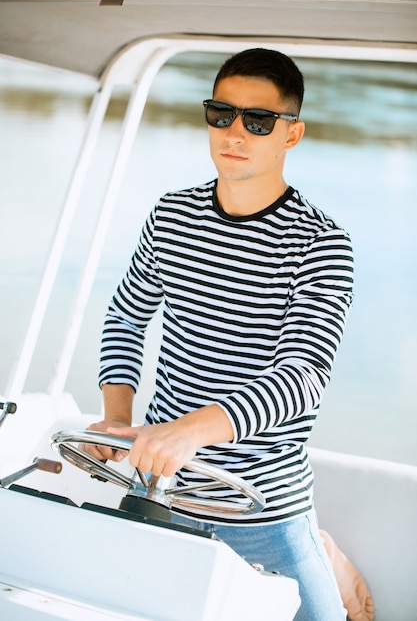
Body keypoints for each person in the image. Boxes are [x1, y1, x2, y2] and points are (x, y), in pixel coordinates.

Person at [85, 48, 373, 620]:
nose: (235, 132)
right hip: (161, 492)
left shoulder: (321, 244)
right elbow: (125, 317)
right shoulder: (171, 215)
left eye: (258, 121)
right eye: (221, 114)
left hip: (265, 509)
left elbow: (303, 377)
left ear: (291, 135)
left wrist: (190, 432)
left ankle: (322, 553)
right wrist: (119, 417)